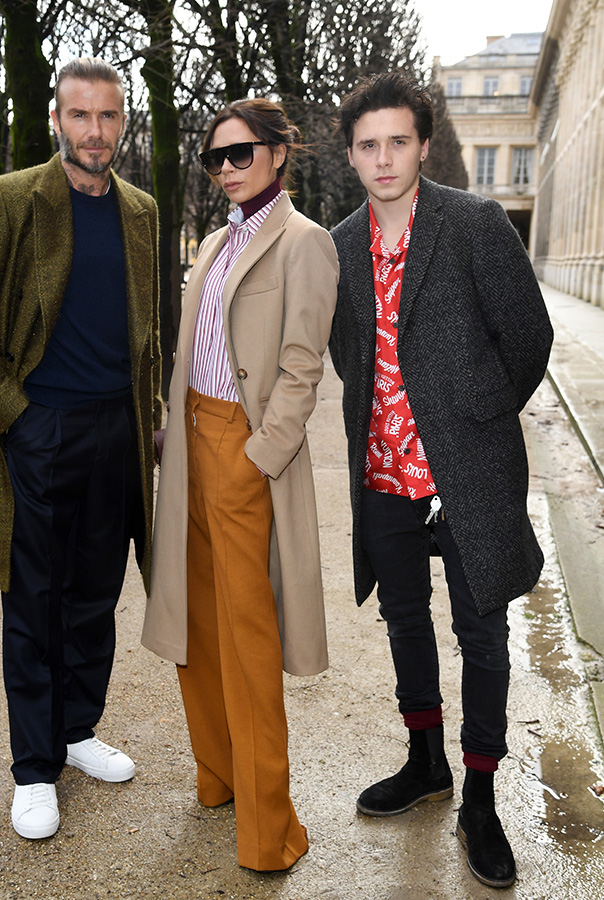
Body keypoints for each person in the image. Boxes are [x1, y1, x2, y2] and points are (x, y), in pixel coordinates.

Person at [0, 58, 161, 840]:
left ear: (123, 122)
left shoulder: (141, 210)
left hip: (115, 431)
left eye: (108, 117)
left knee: (96, 595)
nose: (96, 132)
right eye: (81, 116)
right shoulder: (7, 199)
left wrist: (151, 414)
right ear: (57, 119)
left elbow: (147, 332)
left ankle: (76, 731)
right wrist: (17, 416)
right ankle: (34, 767)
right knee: (33, 600)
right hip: (39, 427)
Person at [328, 73, 553, 889]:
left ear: (423, 144)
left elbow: (530, 337)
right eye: (367, 144)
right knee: (401, 619)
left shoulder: (474, 223)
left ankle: (482, 799)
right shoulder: (341, 240)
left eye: (397, 141)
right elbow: (347, 352)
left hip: (468, 473)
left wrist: (471, 417)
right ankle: (426, 760)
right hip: (382, 473)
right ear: (350, 154)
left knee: (483, 635)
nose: (383, 158)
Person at [141, 98, 338, 871]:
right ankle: (217, 779)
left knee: (249, 644)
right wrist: (169, 423)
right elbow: (196, 346)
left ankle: (268, 832)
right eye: (216, 157)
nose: (227, 168)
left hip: (244, 455)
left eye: (242, 152)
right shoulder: (217, 242)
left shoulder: (304, 242)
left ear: (279, 153)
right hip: (188, 448)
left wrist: (259, 456)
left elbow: (301, 367)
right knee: (196, 630)